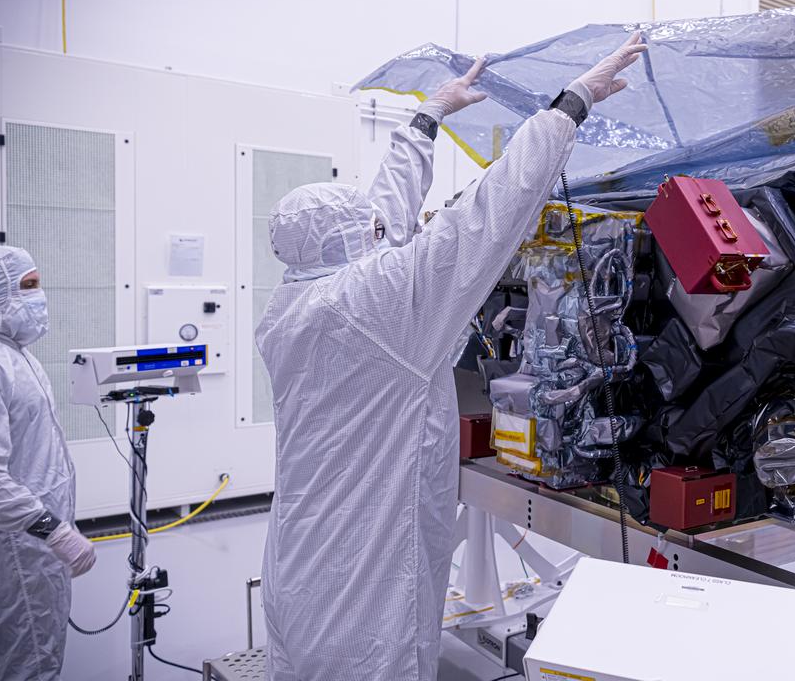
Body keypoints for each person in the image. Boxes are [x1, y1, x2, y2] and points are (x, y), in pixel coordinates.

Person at [256, 33, 647, 681]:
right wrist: (569, 107)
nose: (386, 234)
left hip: (302, 567)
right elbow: (485, 217)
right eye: (374, 234)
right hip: (364, 596)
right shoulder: (374, 304)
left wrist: (426, 118)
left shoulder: (299, 302)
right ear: (355, 243)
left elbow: (384, 217)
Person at [0, 245, 96, 680]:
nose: (38, 297)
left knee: (39, 653)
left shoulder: (13, 352)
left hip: (35, 544)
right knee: (18, 662)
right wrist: (55, 533)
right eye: (27, 287)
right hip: (12, 547)